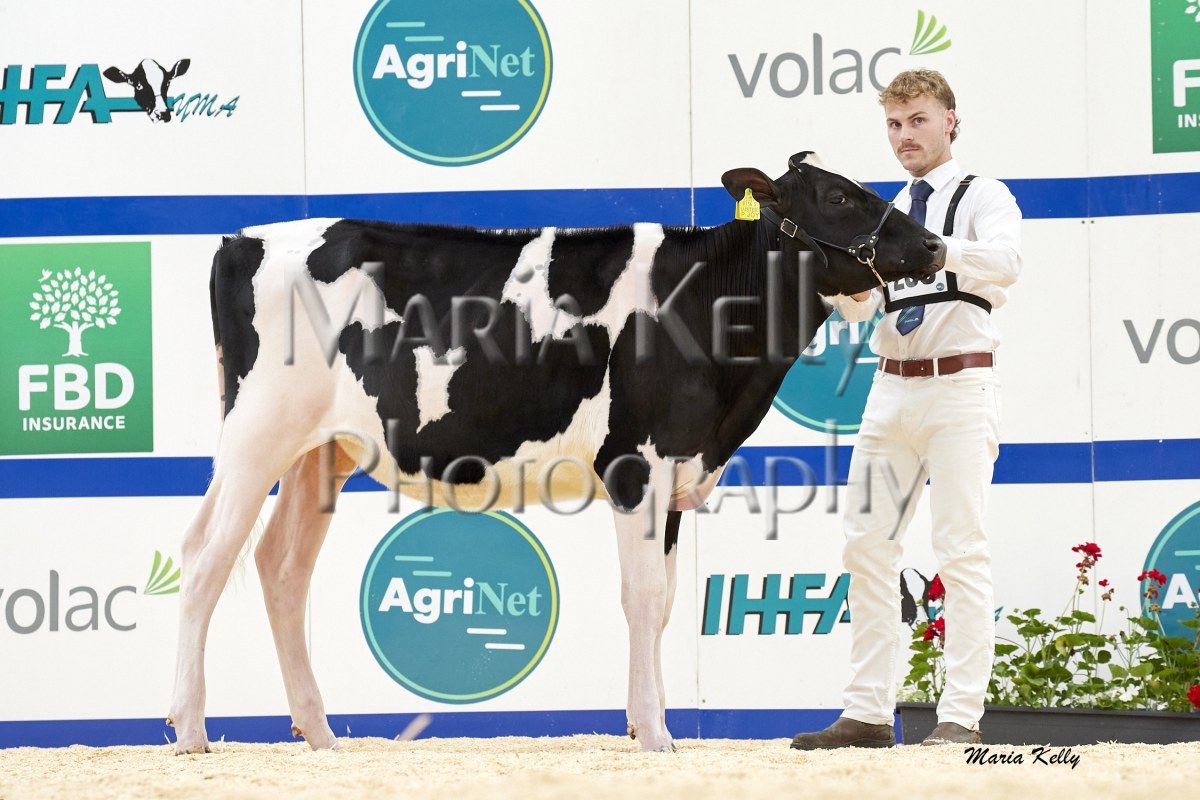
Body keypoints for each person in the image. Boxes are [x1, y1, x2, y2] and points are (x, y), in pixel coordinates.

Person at [790, 69, 1023, 749]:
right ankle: (867, 712)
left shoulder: (983, 194)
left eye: (917, 120)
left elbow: (1007, 262)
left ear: (950, 120)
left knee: (960, 549)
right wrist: (835, 279)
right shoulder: (885, 210)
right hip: (889, 387)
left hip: (960, 387)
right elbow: (861, 310)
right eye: (894, 124)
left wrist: (937, 249)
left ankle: (960, 716)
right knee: (866, 546)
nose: (904, 136)